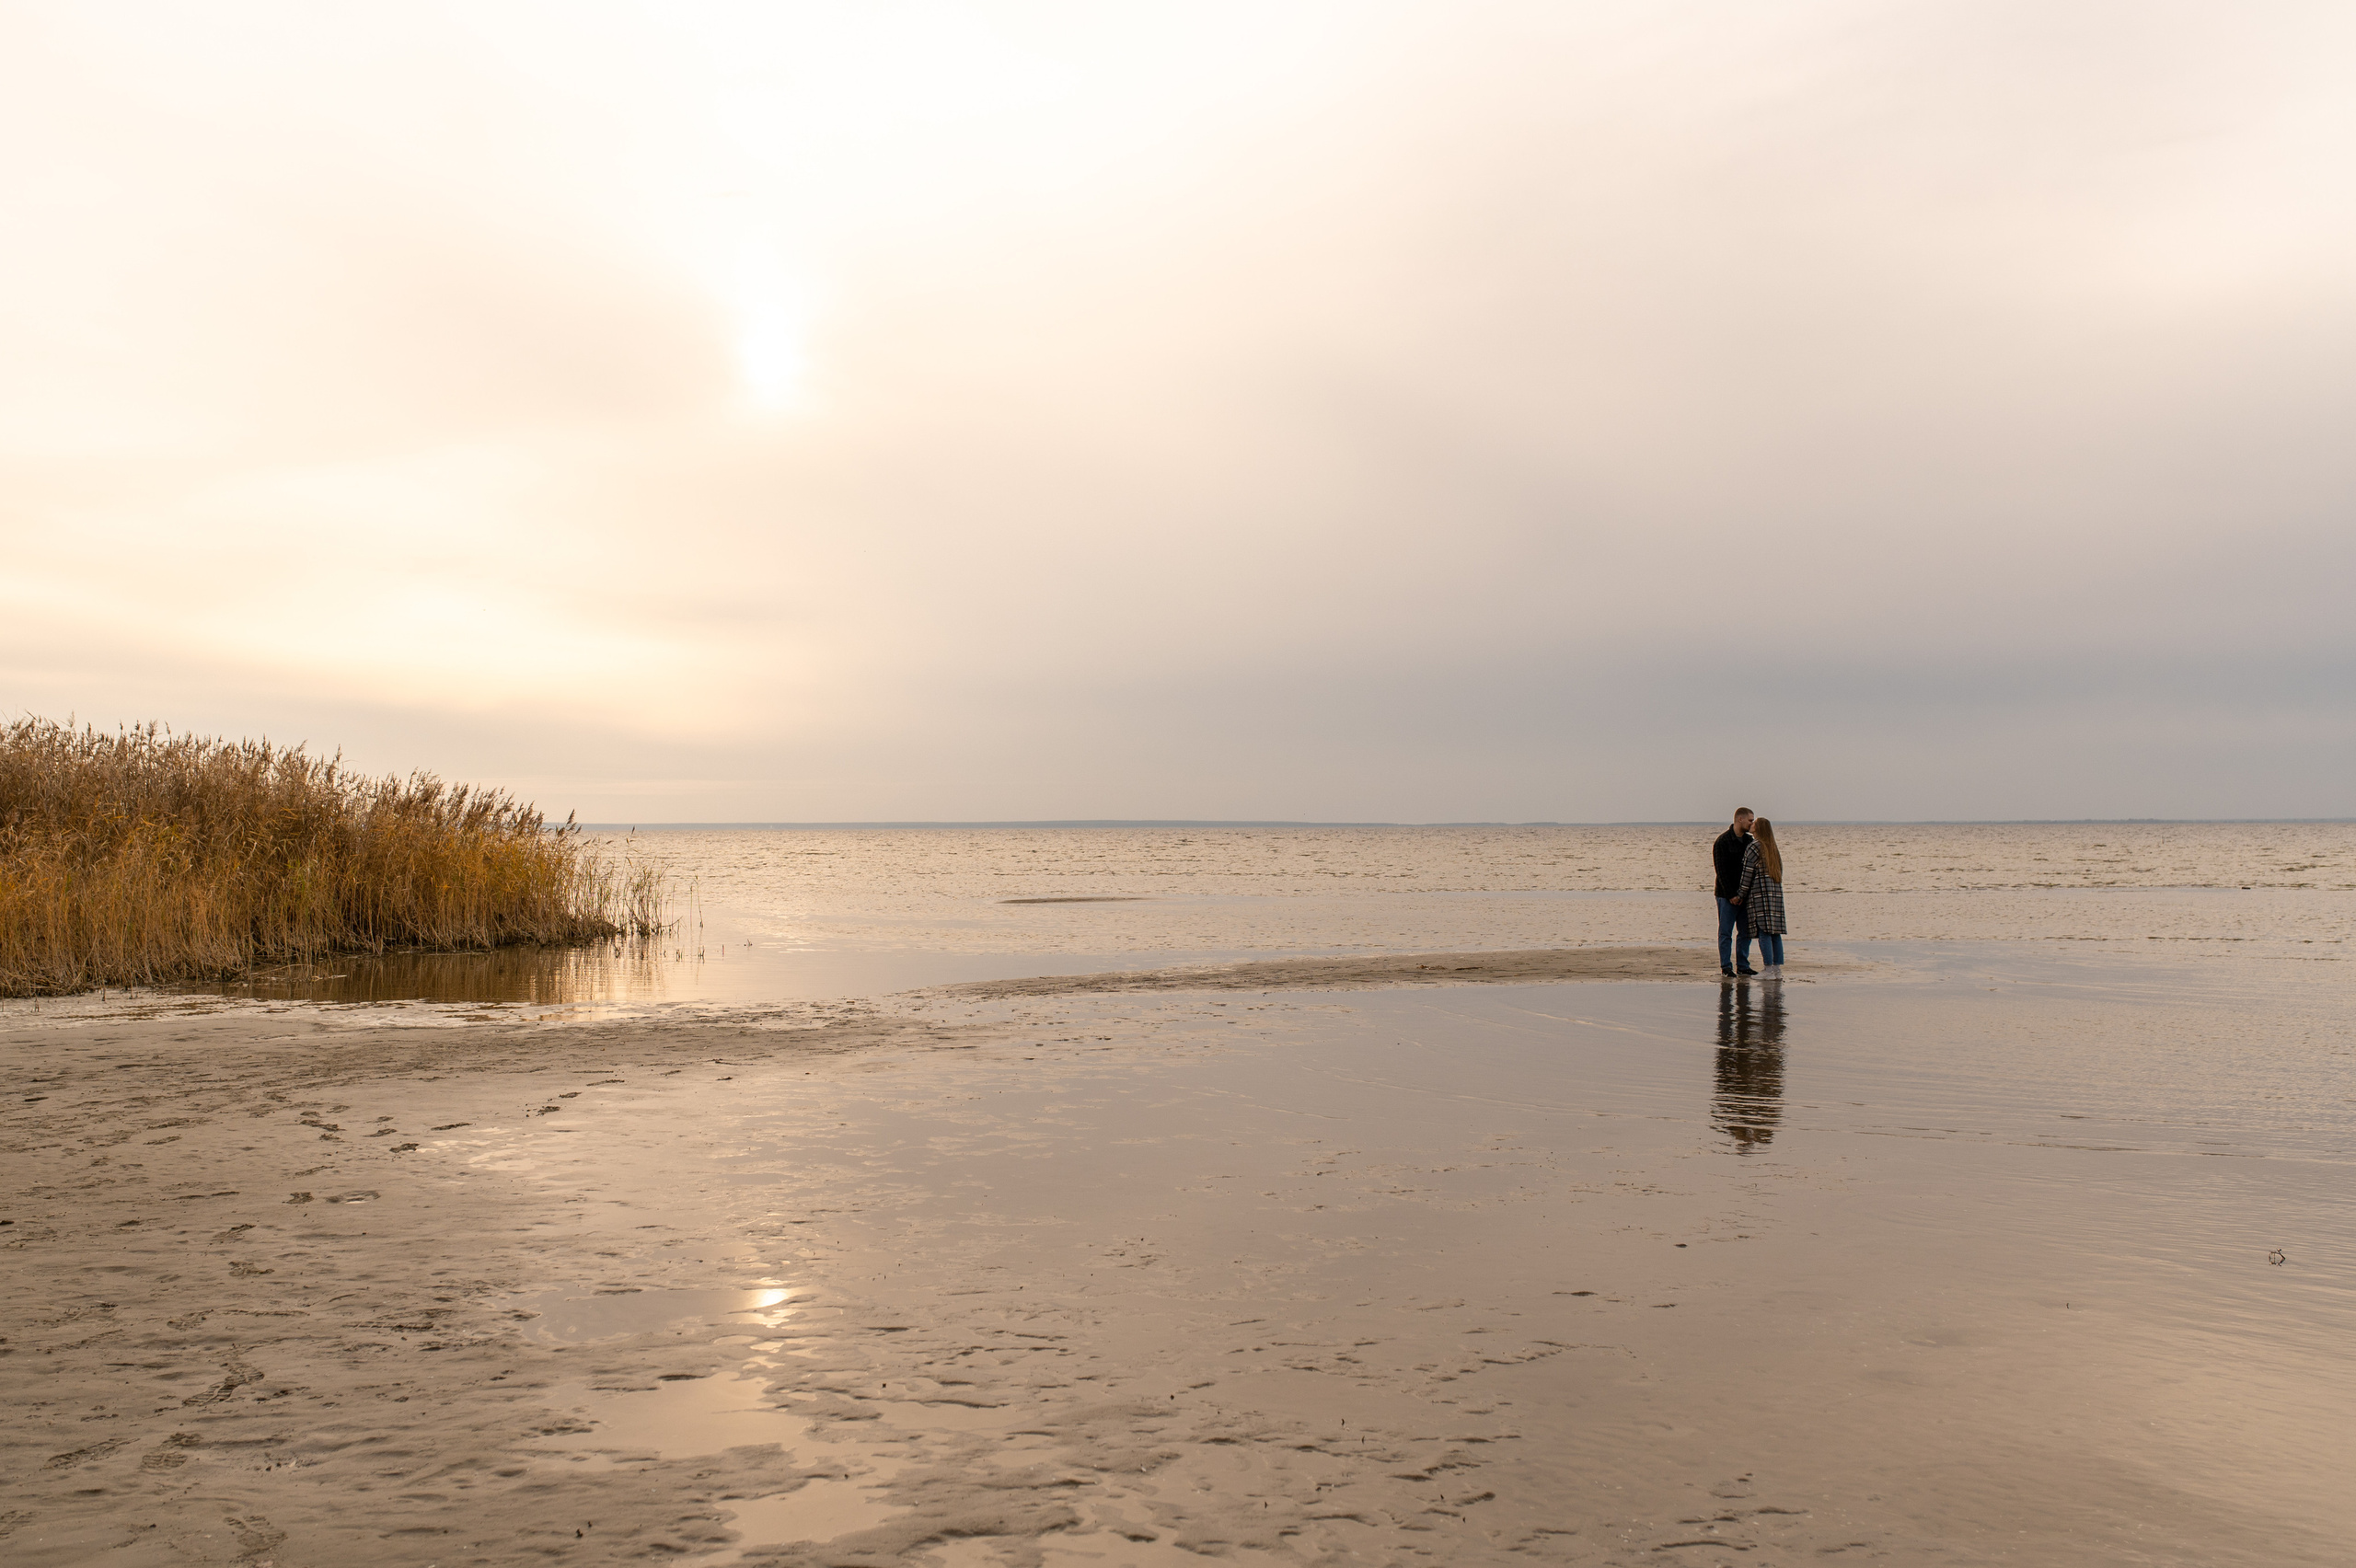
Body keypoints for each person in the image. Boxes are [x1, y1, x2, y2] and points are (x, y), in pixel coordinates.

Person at [1732, 816, 1788, 980]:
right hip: (1775, 895)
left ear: (1759, 828)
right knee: (1774, 933)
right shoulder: (1772, 848)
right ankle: (1776, 969)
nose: (1752, 824)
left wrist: (1740, 894)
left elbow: (1747, 874)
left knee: (1764, 932)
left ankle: (1768, 968)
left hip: (1760, 895)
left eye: (1754, 823)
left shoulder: (1754, 846)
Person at [1712, 808, 1758, 977]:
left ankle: (1743, 965)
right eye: (1750, 820)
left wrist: (1745, 893)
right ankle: (1726, 967)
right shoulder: (1722, 841)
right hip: (1726, 895)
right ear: (1740, 819)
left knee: (1745, 932)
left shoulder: (1749, 841)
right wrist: (1731, 895)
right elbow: (1721, 871)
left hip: (1745, 895)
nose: (1752, 823)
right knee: (1725, 932)